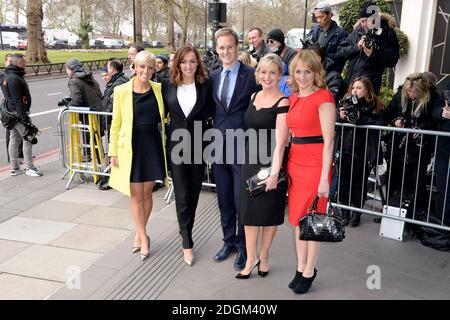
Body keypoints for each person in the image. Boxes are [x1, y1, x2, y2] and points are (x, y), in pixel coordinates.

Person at [108, 51, 169, 262]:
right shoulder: (121, 91)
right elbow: (115, 124)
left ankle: (139, 231)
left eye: (150, 67)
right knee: (135, 194)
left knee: (147, 193)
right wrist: (112, 151)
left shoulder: (159, 89)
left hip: (152, 144)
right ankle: (144, 237)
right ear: (134, 67)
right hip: (130, 147)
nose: (146, 71)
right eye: (142, 67)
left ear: (155, 70)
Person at [285, 49, 336, 294]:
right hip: (296, 163)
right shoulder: (294, 98)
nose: (303, 76)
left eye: (307, 71)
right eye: (298, 71)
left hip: (316, 165)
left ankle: (309, 269)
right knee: (297, 219)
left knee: (313, 221)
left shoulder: (324, 98)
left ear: (316, 72)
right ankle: (300, 265)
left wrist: (325, 177)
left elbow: (329, 142)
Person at [236, 54, 289, 279]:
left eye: (272, 73)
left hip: (271, 163)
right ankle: (251, 258)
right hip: (250, 160)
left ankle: (264, 256)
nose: (266, 77)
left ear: (279, 75)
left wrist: (274, 174)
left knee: (268, 213)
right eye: (263, 72)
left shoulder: (283, 102)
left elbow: (281, 143)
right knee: (248, 214)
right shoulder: (253, 95)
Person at [162, 45, 213, 266]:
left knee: (193, 194)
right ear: (177, 64)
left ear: (198, 63)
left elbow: (212, 111)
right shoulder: (167, 85)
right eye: (184, 62)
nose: (188, 66)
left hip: (199, 146)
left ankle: (185, 230)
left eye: (192, 61)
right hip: (176, 146)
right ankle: (187, 243)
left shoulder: (205, 85)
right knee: (182, 194)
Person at [210, 28, 256, 270]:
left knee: (241, 200)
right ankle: (228, 241)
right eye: (221, 48)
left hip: (242, 145)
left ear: (237, 47)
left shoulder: (251, 75)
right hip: (219, 145)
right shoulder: (214, 75)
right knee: (224, 198)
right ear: (216, 49)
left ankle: (244, 247)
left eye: (229, 47)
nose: (225, 51)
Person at [384, 73, 439, 219]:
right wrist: (395, 121)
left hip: (419, 149)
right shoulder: (399, 95)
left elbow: (434, 121)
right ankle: (389, 211)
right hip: (398, 147)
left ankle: (413, 216)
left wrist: (421, 128)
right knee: (394, 179)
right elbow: (387, 114)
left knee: (416, 183)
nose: (412, 94)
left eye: (415, 92)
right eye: (409, 92)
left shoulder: (432, 98)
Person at [335, 77, 385, 227]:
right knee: (343, 182)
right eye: (353, 88)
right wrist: (340, 116)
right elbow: (335, 120)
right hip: (345, 149)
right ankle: (344, 212)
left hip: (363, 152)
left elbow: (381, 122)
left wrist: (361, 118)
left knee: (359, 184)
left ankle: (356, 213)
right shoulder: (345, 104)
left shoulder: (375, 106)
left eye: (359, 88)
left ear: (367, 90)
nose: (355, 91)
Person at [335, 1, 399, 93]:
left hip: (369, 89)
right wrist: (356, 47)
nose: (362, 24)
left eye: (364, 21)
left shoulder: (387, 33)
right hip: (350, 84)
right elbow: (340, 51)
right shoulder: (358, 31)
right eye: (361, 21)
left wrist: (372, 54)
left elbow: (392, 60)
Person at [2, 54, 42, 177]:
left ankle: (15, 168)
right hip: (17, 114)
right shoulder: (14, 78)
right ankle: (29, 167)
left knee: (14, 138)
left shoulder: (9, 75)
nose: (27, 65)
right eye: (25, 63)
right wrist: (25, 119)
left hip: (12, 113)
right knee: (28, 138)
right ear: (19, 63)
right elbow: (17, 100)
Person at [306, 1, 347, 73]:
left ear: (330, 15)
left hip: (330, 73)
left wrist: (323, 54)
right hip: (313, 71)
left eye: (321, 17)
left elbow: (342, 56)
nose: (318, 20)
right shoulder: (314, 30)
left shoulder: (341, 33)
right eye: (316, 17)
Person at [432, 81, 450, 226]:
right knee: (442, 186)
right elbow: (436, 108)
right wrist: (442, 113)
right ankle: (442, 224)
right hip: (444, 144)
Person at [2, 53, 23, 162]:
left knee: (18, 134)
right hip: (10, 110)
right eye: (9, 61)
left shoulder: (15, 74)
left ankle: (20, 154)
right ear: (5, 62)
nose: (11, 63)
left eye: (12, 61)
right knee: (11, 134)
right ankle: (12, 158)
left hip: (16, 107)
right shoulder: (5, 76)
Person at [101, 58, 129, 134]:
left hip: (115, 122)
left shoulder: (119, 82)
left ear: (112, 69)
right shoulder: (117, 80)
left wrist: (106, 121)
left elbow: (112, 103)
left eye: (108, 67)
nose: (107, 69)